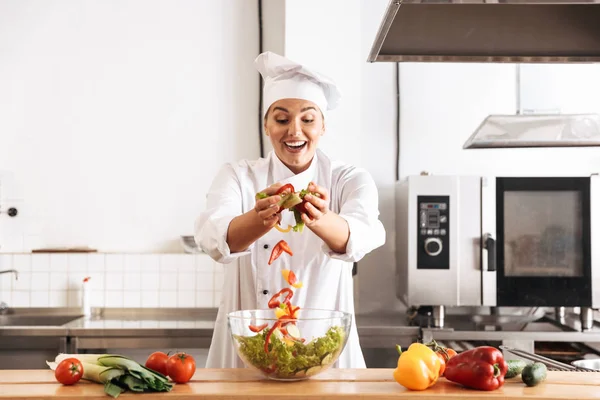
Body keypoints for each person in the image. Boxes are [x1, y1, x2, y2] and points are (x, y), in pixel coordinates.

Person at [194, 51, 386, 369]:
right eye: (282, 119)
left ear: (323, 126)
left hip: (326, 350)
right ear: (267, 126)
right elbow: (213, 237)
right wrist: (260, 219)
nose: (294, 131)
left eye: (308, 119)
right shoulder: (238, 176)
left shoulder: (348, 179)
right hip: (247, 351)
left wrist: (320, 218)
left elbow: (362, 237)